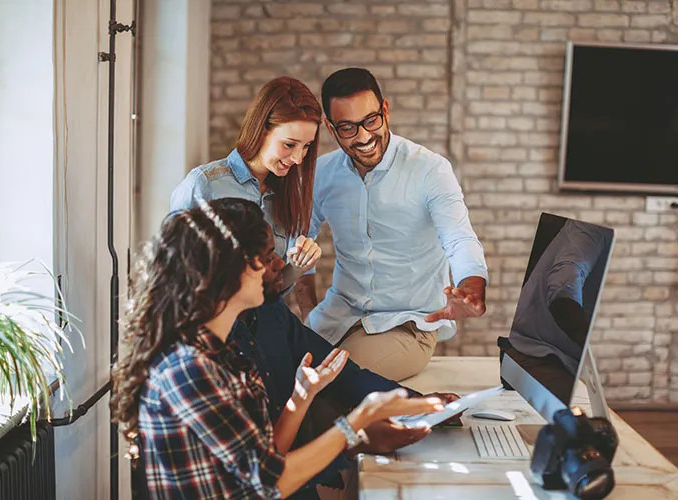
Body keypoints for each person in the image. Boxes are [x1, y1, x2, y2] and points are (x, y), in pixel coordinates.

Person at [109, 198, 444, 499]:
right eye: (266, 257)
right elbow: (269, 483)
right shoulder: (189, 367)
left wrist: (301, 398)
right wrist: (356, 422)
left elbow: (267, 455)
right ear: (230, 269)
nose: (276, 267)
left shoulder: (224, 353)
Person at [229, 211, 463, 498]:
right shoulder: (206, 360)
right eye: (267, 258)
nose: (281, 264)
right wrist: (354, 436)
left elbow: (342, 371)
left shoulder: (271, 313)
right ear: (235, 269)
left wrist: (419, 402)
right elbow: (258, 481)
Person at [296, 67, 489, 381]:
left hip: (408, 324)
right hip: (337, 316)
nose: (363, 136)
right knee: (277, 372)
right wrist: (307, 311)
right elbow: (299, 239)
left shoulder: (430, 169)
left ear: (385, 110)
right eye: (348, 128)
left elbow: (458, 238)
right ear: (331, 129)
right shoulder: (323, 174)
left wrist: (471, 284)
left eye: (371, 120)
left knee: (335, 380)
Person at [170, 76, 323, 292]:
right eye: (289, 145)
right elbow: (175, 274)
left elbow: (272, 293)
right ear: (261, 131)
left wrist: (297, 268)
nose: (298, 159)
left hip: (264, 323)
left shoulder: (289, 195)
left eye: (306, 147)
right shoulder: (204, 184)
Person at [505, 217, 613, 403]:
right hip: (546, 363)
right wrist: (584, 344)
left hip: (533, 357)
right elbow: (563, 291)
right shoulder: (590, 230)